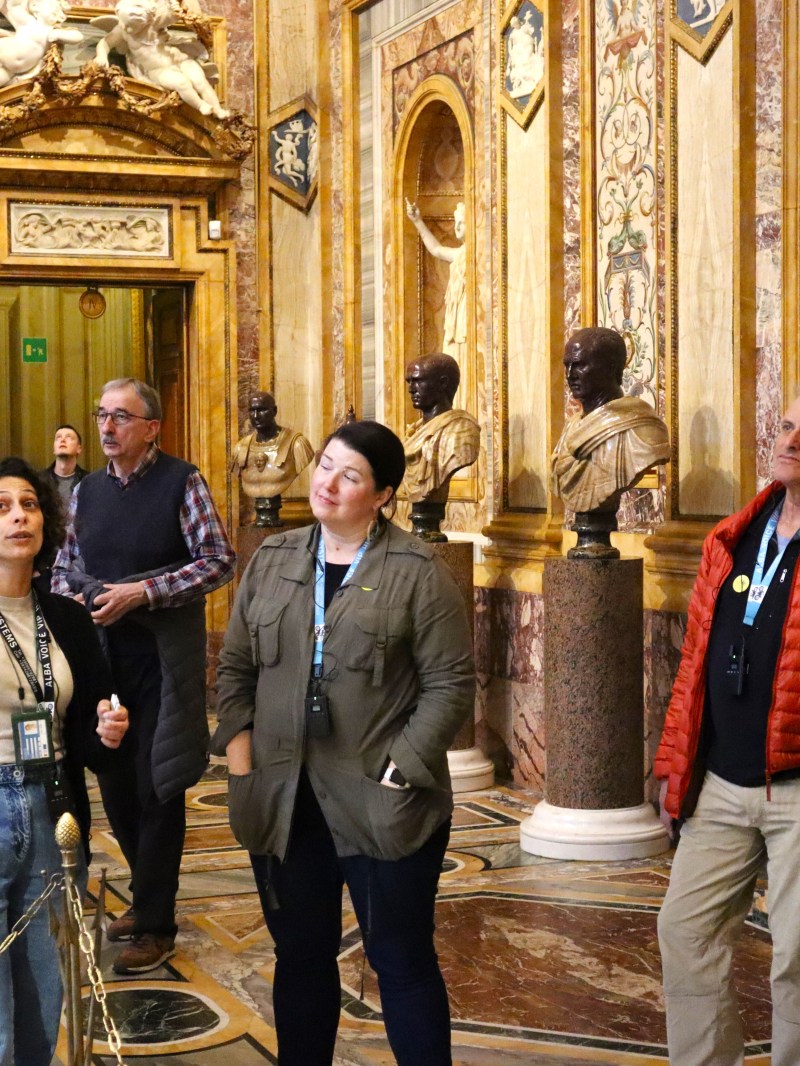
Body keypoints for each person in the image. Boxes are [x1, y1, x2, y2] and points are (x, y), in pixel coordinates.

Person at [211, 419, 475, 1066]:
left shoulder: (418, 572)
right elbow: (236, 668)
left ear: (383, 494)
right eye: (325, 464)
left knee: (402, 961)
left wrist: (400, 771)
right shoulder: (273, 560)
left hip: (383, 805)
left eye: (349, 474)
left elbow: (451, 685)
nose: (326, 481)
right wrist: (241, 762)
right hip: (283, 800)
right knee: (300, 956)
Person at [52, 377, 235, 975]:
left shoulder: (182, 482)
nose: (107, 427)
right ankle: (145, 895)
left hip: (161, 661)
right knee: (114, 781)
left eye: (121, 417)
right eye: (101, 415)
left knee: (159, 784)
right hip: (100, 660)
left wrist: (144, 592)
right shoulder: (84, 491)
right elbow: (62, 569)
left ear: (151, 428)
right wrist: (87, 597)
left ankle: (156, 921)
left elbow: (217, 560)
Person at [655, 394, 800, 1065]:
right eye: (790, 423)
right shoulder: (736, 534)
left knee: (797, 965)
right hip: (721, 778)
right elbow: (695, 661)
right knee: (686, 932)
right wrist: (676, 766)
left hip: (796, 791)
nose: (792, 440)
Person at [0, 457, 128, 1066]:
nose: (18, 517)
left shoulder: (68, 618)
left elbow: (88, 734)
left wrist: (107, 731)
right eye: (1, 508)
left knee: (47, 978)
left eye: (28, 505)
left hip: (55, 807)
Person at [550, 326, 670, 513]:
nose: (570, 375)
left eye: (580, 365)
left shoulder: (641, 429)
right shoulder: (571, 427)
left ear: (610, 367)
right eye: (567, 365)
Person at [403, 353, 480, 503]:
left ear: (443, 383)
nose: (411, 389)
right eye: (409, 381)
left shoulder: (460, 430)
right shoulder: (415, 433)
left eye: (418, 380)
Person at [230, 390, 314, 525]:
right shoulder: (240, 448)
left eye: (262, 410)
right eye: (252, 410)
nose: (256, 416)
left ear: (274, 411)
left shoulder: (296, 444)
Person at [405, 199, 467, 368]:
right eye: (456, 222)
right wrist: (417, 221)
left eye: (462, 222)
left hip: (465, 316)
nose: (457, 227)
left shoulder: (476, 254)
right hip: (455, 318)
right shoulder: (460, 253)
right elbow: (436, 250)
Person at [40, 424, 88, 507]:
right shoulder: (40, 480)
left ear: (79, 449)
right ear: (54, 448)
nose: (62, 440)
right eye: (58, 437)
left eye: (68, 437)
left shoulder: (88, 481)